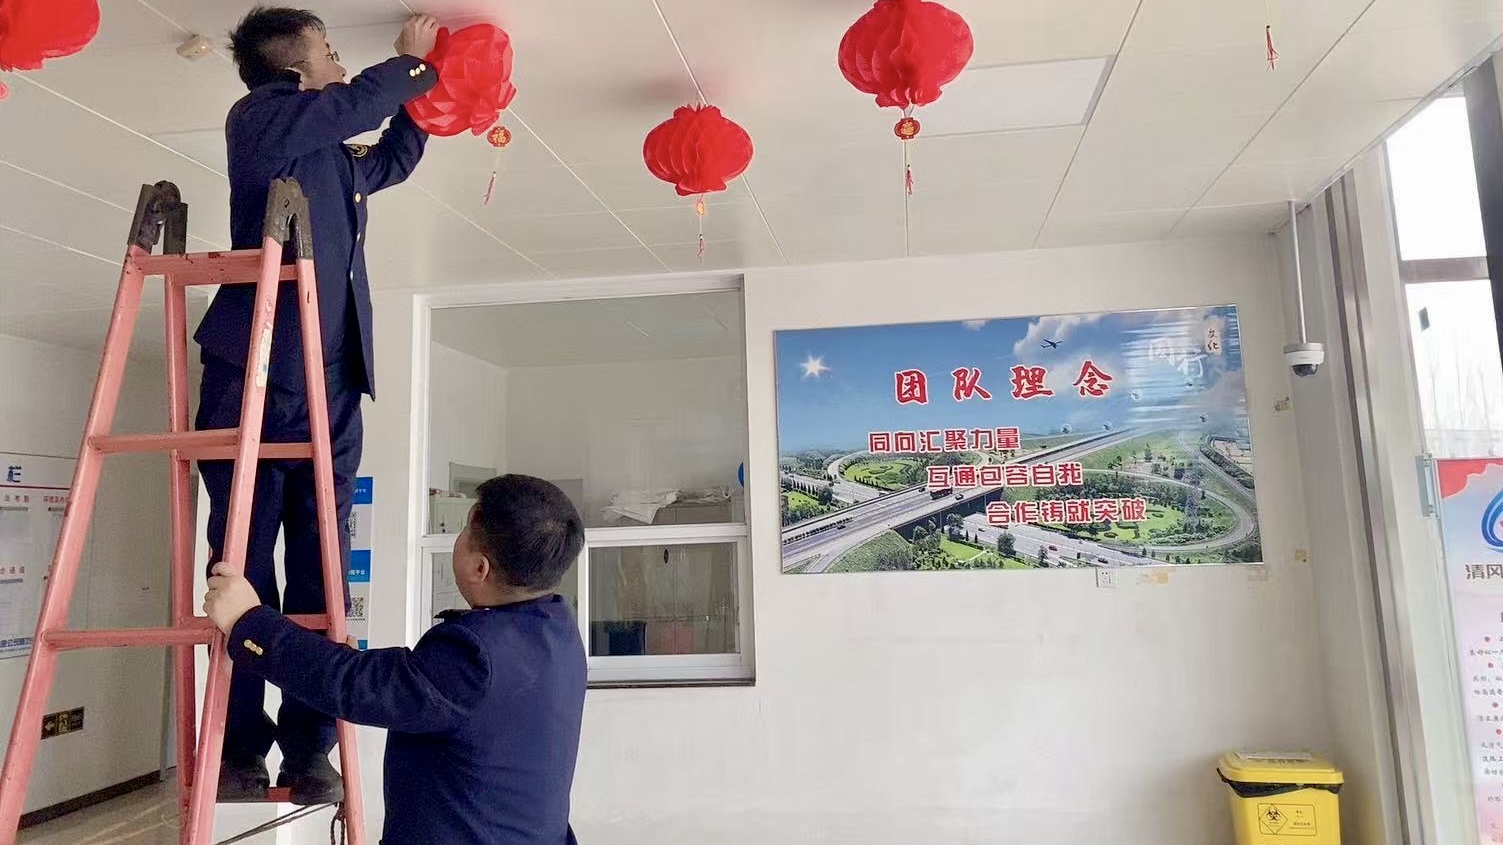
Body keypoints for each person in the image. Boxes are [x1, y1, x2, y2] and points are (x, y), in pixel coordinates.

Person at [196, 6, 440, 803]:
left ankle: (306, 749)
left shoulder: (325, 154)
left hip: (330, 381)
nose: (340, 61)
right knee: (242, 563)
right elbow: (352, 103)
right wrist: (411, 64)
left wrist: (423, 104)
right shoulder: (260, 122)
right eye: (330, 50)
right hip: (255, 374)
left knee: (319, 565)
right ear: (297, 72)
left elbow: (389, 159)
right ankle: (239, 749)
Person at [203, 475, 587, 845]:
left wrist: (248, 622)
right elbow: (409, 688)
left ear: (479, 568)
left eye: (465, 531)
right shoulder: (560, 634)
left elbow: (357, 686)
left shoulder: (475, 657)